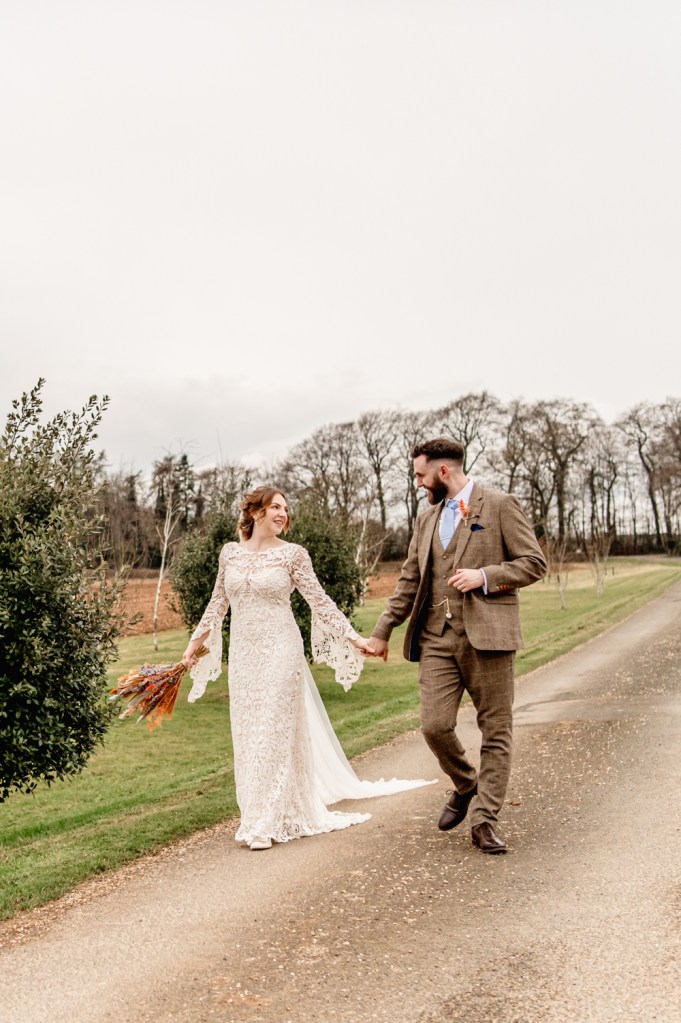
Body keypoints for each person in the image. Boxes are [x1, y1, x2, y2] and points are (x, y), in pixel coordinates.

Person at [182, 486, 433, 851]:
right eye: (275, 507)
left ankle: (263, 824)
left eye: (285, 508)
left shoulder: (293, 556)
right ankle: (258, 813)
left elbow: (321, 603)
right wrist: (193, 647)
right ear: (255, 513)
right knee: (249, 736)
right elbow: (217, 604)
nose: (283, 514)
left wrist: (354, 639)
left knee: (273, 733)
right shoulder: (229, 554)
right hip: (244, 657)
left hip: (282, 652)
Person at [370, 438, 547, 854]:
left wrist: (484, 576)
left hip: (489, 638)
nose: (417, 483)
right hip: (436, 639)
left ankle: (485, 820)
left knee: (496, 731)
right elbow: (410, 580)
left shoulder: (500, 505)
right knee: (434, 726)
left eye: (419, 474)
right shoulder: (426, 520)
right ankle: (467, 784)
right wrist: (382, 630)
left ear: (442, 471)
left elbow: (534, 563)